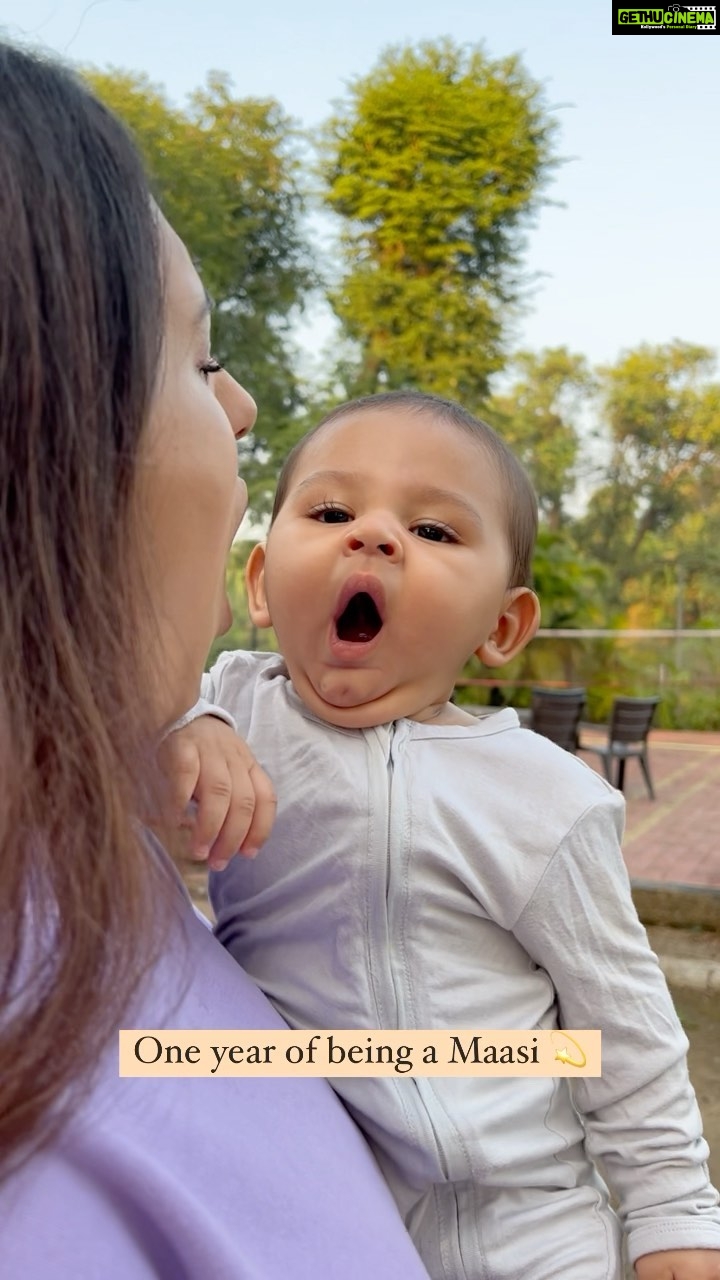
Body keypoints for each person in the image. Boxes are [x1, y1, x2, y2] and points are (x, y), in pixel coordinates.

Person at [0, 43, 434, 1280]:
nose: (243, 405)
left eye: (437, 530)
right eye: (197, 358)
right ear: (38, 430)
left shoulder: (87, 823)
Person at [172, 391, 720, 1280]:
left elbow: (624, 1017)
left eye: (433, 532)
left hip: (531, 1222)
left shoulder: (542, 798)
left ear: (501, 626)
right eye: (333, 511)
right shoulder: (230, 707)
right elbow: (102, 712)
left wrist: (672, 1210)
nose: (376, 535)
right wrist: (180, 720)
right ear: (262, 583)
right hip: (323, 1209)